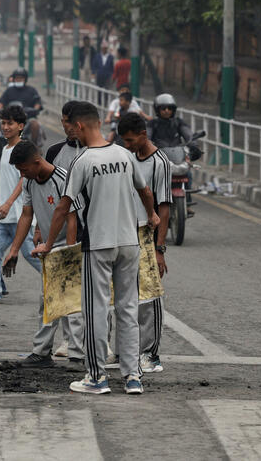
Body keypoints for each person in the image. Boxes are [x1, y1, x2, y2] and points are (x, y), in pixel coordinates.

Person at [33, 102, 159, 396]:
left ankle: (97, 376)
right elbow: (145, 191)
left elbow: (64, 206)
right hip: (129, 243)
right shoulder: (125, 155)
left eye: (70, 126)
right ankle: (132, 377)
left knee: (96, 311)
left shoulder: (83, 160)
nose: (69, 131)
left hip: (98, 246)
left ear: (79, 126)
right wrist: (152, 215)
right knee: (128, 309)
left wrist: (48, 243)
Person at [2, 140, 80, 367]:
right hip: (49, 247)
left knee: (73, 305)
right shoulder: (29, 181)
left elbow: (72, 218)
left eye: (24, 169)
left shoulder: (63, 179)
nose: (22, 174)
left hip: (70, 247)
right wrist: (14, 250)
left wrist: (68, 254)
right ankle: (42, 353)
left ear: (37, 162)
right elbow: (27, 215)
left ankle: (78, 355)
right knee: (47, 302)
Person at [118, 113, 172, 375]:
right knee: (123, 293)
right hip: (126, 231)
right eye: (124, 141)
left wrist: (159, 249)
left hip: (148, 234)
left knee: (149, 295)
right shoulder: (126, 157)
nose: (127, 145)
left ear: (143, 135)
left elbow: (164, 207)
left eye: (130, 140)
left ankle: (150, 354)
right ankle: (125, 351)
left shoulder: (159, 162)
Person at [43, 100, 86, 361]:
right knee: (65, 288)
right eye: (64, 121)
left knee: (97, 290)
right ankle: (69, 339)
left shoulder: (96, 151)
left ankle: (100, 343)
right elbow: (46, 191)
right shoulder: (54, 152)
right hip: (65, 229)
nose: (67, 126)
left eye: (71, 122)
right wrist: (41, 228)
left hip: (92, 228)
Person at [0, 105, 37, 301]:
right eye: (3, 123)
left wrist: (8, 203)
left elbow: (23, 179)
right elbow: (3, 177)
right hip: (3, 216)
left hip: (19, 215)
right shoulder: (5, 148)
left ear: (21, 126)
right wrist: (0, 201)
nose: (5, 127)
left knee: (31, 255)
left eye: (10, 123)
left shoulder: (23, 149)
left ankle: (56, 281)